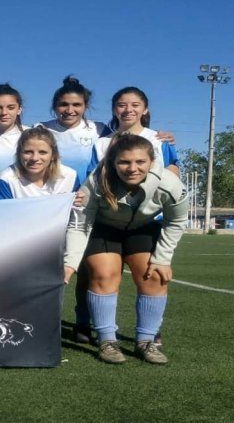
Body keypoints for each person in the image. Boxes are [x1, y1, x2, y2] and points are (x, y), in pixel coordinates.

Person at [63, 134, 188, 365]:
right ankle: (107, 341)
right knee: (103, 273)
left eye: (140, 162)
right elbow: (80, 223)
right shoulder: (97, 180)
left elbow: (177, 221)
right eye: (124, 162)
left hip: (142, 228)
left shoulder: (169, 184)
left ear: (151, 161)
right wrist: (69, 263)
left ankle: (146, 341)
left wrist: (163, 259)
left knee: (155, 276)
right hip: (104, 229)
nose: (132, 168)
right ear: (113, 162)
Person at [88, 86, 180, 176]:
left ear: (145, 110)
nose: (128, 110)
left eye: (135, 105)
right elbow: (93, 179)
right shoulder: (101, 144)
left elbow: (173, 175)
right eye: (122, 105)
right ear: (114, 110)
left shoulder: (159, 140)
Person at [0, 127, 76, 199]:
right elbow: (5, 216)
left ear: (53, 155)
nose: (34, 158)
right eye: (28, 152)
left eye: (42, 152)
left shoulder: (70, 177)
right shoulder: (5, 180)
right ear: (19, 153)